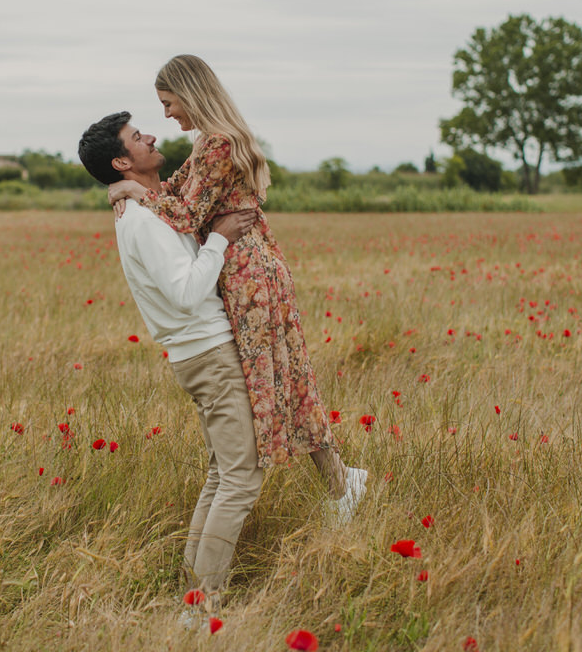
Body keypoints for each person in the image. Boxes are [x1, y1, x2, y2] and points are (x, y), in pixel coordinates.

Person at [106, 54, 367, 516]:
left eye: (168, 103)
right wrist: (135, 189)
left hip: (248, 273)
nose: (167, 115)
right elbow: (176, 196)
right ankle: (341, 483)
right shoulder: (208, 143)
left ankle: (341, 485)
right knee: (287, 378)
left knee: (276, 381)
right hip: (242, 268)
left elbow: (183, 215)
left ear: (191, 93)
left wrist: (137, 192)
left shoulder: (219, 145)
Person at [78, 110, 262, 612]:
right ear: (122, 161)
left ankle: (191, 587)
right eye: (138, 137)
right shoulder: (141, 221)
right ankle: (202, 606)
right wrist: (221, 236)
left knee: (223, 474)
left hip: (198, 354)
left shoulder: (148, 207)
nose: (152, 135)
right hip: (208, 352)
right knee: (242, 477)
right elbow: (186, 292)